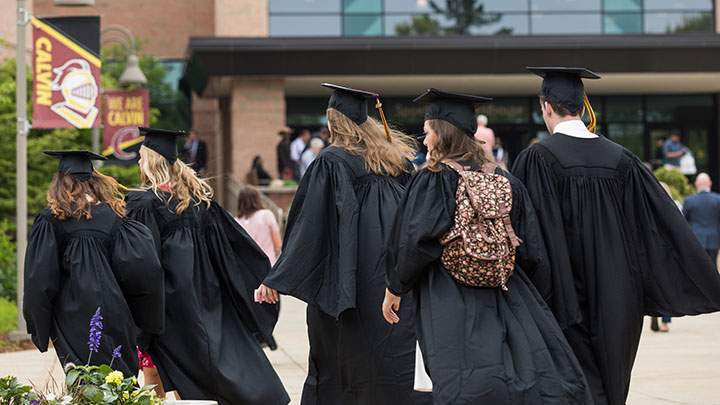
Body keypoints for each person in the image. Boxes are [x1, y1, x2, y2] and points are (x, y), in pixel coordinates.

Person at [512, 66, 720, 405]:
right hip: (620, 297)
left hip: (564, 300)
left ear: (546, 107)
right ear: (582, 107)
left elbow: (529, 238)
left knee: (573, 389)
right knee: (612, 389)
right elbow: (660, 225)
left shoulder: (537, 159)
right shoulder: (623, 160)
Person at [382, 89, 591, 404]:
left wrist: (394, 287)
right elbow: (532, 251)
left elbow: (415, 242)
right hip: (505, 291)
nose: (424, 142)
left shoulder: (433, 178)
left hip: (447, 294)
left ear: (441, 134)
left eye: (427, 133)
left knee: (460, 383)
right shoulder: (506, 180)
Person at [257, 83, 430, 404]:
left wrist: (277, 275)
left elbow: (310, 224)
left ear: (334, 123)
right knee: (394, 355)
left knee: (348, 361)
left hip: (353, 280)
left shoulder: (332, 161)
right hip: (396, 278)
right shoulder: (399, 163)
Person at [126, 127, 289, 405]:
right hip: (205, 304)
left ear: (151, 161)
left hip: (166, 307)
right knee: (194, 374)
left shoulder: (144, 203)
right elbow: (234, 248)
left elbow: (140, 260)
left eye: (141, 157)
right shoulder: (200, 202)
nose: (139, 163)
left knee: (158, 374)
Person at [23, 150, 164, 378]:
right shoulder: (115, 217)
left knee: (85, 387)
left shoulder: (52, 219)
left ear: (59, 183)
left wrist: (39, 326)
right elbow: (144, 272)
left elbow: (38, 281)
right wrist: (144, 322)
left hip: (73, 320)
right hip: (117, 315)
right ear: (94, 181)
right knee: (121, 386)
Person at [235, 186, 282, 265]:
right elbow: (278, 244)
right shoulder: (267, 215)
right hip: (268, 263)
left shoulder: (236, 222)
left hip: (247, 266)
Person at [683, 173, 720, 262]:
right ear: (710, 183)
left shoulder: (689, 200)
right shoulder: (718, 199)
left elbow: (683, 221)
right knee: (712, 268)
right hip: (713, 240)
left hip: (695, 239)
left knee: (697, 270)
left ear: (696, 184)